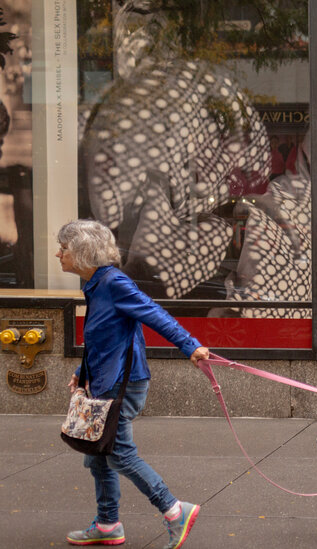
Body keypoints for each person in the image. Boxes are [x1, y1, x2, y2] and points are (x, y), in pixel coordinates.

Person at [58, 219, 208, 548]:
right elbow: (102, 339)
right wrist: (83, 375)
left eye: (64, 249)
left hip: (121, 385)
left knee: (119, 455)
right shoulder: (95, 284)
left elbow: (153, 313)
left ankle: (174, 510)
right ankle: (108, 524)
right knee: (98, 453)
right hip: (105, 380)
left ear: (82, 252)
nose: (58, 254)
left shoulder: (113, 282)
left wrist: (190, 345)